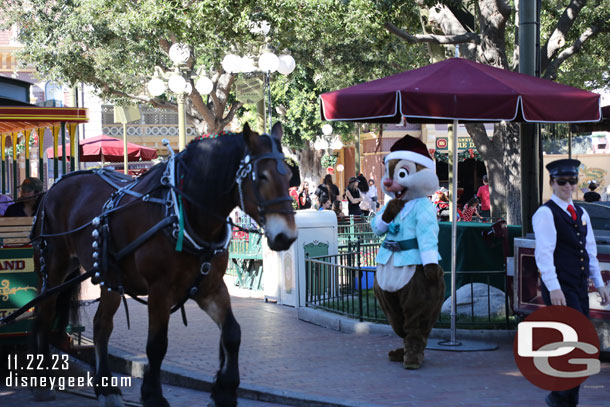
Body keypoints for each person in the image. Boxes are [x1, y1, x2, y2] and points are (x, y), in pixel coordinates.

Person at [532, 159, 609, 407]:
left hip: (577, 285)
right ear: (552, 183)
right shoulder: (545, 213)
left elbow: (590, 249)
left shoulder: (581, 212)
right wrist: (553, 286)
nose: (568, 186)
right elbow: (543, 253)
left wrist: (599, 282)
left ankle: (566, 399)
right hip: (560, 287)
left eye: (572, 181)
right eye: (562, 182)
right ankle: (558, 397)